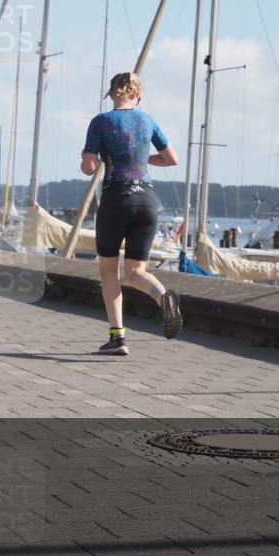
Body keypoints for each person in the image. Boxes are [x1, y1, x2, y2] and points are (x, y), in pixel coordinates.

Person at [81, 72, 182, 355]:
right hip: (147, 202)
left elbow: (89, 167)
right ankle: (163, 297)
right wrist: (140, 157)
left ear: (112, 94)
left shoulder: (100, 122)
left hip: (116, 199)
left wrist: (92, 159)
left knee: (109, 270)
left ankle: (117, 337)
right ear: (137, 96)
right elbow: (171, 159)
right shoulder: (148, 121)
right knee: (137, 271)